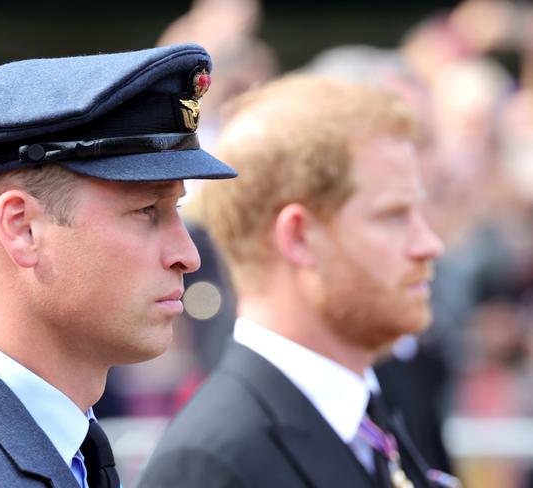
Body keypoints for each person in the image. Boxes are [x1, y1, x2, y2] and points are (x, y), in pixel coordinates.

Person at [0, 43, 236, 487]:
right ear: (23, 229)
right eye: (147, 210)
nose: (187, 255)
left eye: (177, 211)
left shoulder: (71, 448)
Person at [139, 76, 462, 488]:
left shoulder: (371, 414)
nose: (428, 244)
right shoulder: (214, 463)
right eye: (392, 216)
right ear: (299, 238)